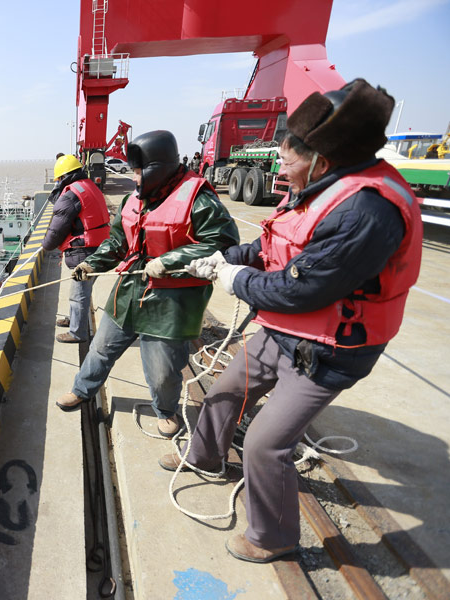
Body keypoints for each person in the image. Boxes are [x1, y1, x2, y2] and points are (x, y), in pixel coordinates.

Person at [158, 79, 423, 563]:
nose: (280, 168)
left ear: (322, 159)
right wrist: (217, 259)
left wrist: (234, 280)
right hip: (288, 331)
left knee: (264, 444)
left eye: (287, 160)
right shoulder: (319, 189)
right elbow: (271, 247)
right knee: (222, 392)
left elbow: (304, 290)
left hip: (331, 348)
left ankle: (273, 538)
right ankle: (205, 457)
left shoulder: (367, 211)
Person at [55, 131, 239, 439]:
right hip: (129, 293)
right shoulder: (133, 199)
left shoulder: (199, 199)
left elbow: (222, 242)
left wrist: (170, 260)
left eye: (139, 171)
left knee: (162, 370)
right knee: (101, 348)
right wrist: (91, 264)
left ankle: (166, 411)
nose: (134, 177)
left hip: (171, 303)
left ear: (158, 167)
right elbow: (116, 241)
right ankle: (82, 390)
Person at [41, 154, 111, 344]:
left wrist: (45, 245)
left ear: (62, 177)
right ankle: (73, 321)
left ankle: (77, 333)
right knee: (79, 290)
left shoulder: (70, 195)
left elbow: (56, 231)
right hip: (99, 247)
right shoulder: (87, 185)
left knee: (79, 294)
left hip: (86, 251)